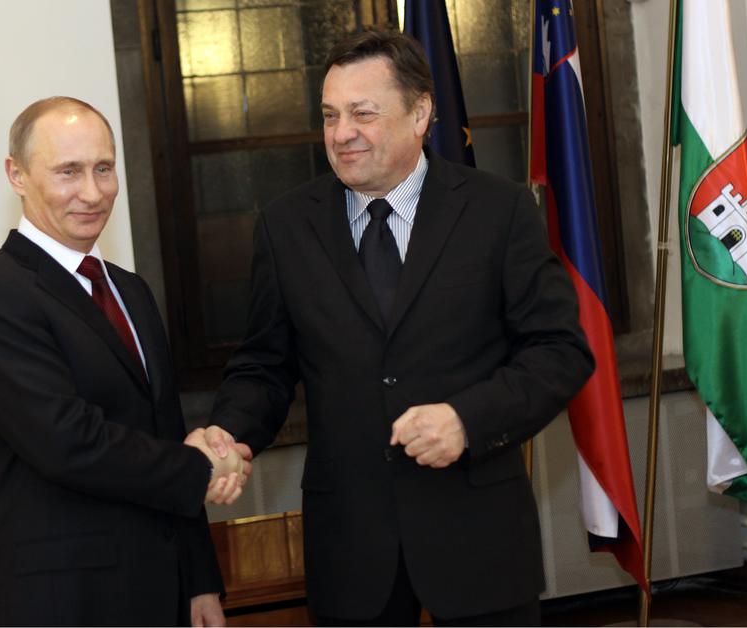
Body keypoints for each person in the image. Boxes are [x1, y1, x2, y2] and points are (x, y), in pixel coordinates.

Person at [202, 31, 594, 626]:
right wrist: (230, 433)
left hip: (477, 536)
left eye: (362, 113)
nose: (341, 133)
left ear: (420, 113)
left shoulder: (498, 210)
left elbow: (560, 352)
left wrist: (466, 419)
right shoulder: (286, 226)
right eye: (330, 115)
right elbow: (265, 366)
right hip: (351, 544)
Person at [0, 96, 250, 626]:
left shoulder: (130, 290)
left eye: (104, 169)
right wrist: (200, 467)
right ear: (16, 175)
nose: (92, 192)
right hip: (63, 600)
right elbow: (67, 441)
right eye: (68, 171)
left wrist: (199, 579)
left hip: (160, 589)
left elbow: (164, 429)